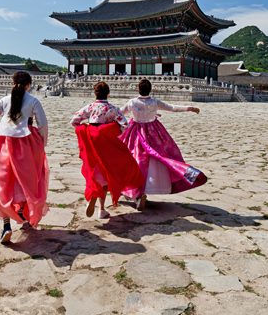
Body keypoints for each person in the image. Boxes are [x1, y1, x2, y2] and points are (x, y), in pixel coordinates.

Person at [0, 71, 50, 245]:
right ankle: (22, 212)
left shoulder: (5, 100)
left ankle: (7, 225)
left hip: (2, 143)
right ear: (29, 85)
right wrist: (42, 143)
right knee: (26, 180)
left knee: (3, 182)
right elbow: (42, 125)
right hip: (26, 144)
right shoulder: (34, 101)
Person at [120, 78, 207, 209]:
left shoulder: (132, 102)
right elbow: (173, 108)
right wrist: (190, 108)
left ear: (138, 89)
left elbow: (119, 114)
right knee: (160, 157)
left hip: (136, 133)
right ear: (150, 90)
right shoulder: (154, 101)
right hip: (154, 132)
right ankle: (146, 190)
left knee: (135, 159)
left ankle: (137, 192)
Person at [71, 82, 144, 218]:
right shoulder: (113, 109)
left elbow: (74, 121)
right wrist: (109, 131)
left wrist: (88, 129)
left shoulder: (90, 107)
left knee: (94, 172)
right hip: (107, 145)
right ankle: (101, 210)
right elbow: (124, 125)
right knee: (108, 174)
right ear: (108, 93)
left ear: (95, 94)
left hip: (92, 145)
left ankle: (95, 200)